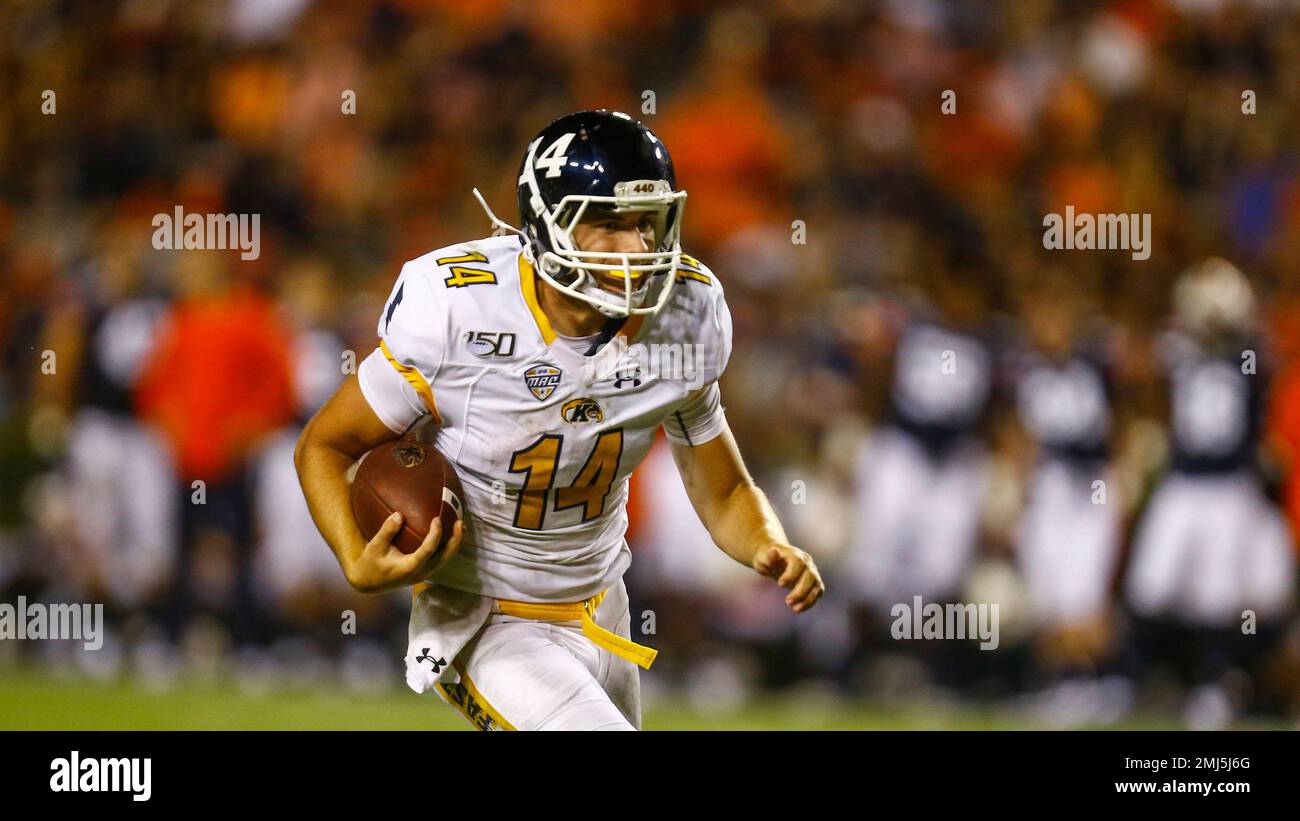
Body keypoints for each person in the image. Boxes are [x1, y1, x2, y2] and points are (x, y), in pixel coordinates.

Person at [294, 110, 824, 730]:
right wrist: (354, 556)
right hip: (486, 617)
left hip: (604, 606)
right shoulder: (458, 311)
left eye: (645, 225)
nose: (636, 249)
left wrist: (768, 542)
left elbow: (725, 486)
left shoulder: (686, 316)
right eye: (606, 224)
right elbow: (325, 444)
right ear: (546, 224)